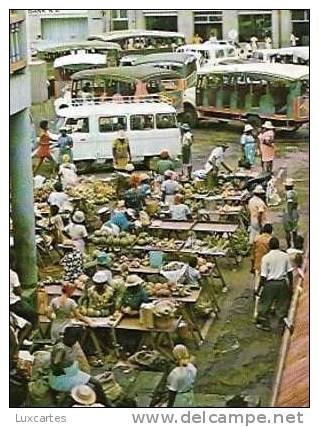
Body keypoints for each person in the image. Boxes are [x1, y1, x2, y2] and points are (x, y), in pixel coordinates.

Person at [255, 237, 293, 331]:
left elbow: (263, 276)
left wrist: (259, 289)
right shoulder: (285, 256)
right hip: (282, 283)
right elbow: (290, 272)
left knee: (265, 304)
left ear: (269, 246)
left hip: (270, 284)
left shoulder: (266, 258)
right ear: (278, 245)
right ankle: (281, 325)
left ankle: (265, 324)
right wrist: (291, 286)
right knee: (282, 305)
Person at [251, 224, 273, 292]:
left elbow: (252, 255)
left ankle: (257, 296)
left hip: (257, 264)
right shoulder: (271, 240)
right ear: (271, 231)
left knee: (257, 283)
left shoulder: (256, 239)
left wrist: (252, 266)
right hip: (268, 265)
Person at [282, 178, 299, 248]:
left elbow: (289, 202)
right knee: (294, 230)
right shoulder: (295, 193)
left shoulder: (288, 194)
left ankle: (289, 246)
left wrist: (289, 214)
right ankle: (295, 244)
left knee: (287, 231)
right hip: (295, 212)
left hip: (288, 213)